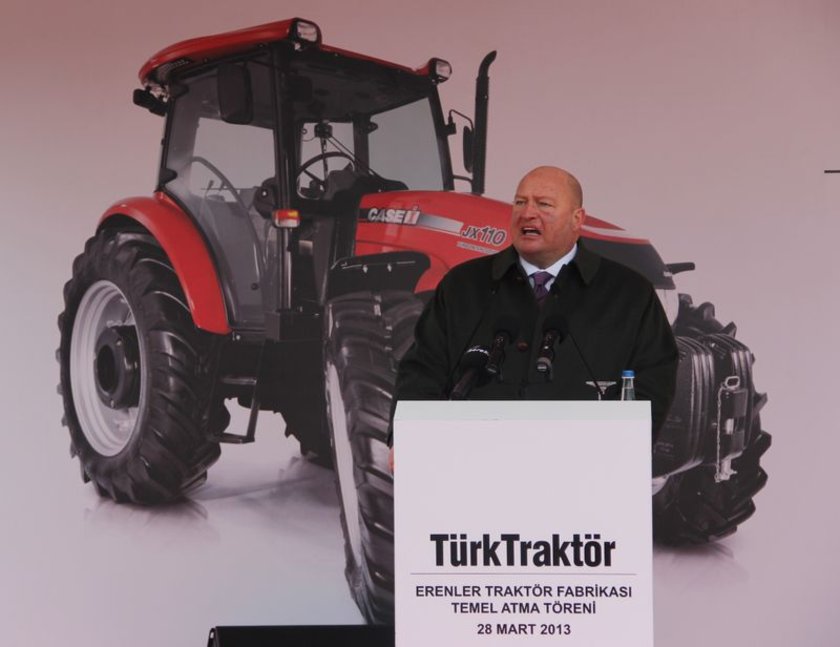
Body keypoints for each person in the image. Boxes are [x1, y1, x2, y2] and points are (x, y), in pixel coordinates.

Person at [389, 166, 678, 469]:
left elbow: (654, 376)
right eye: (520, 202)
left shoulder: (628, 292)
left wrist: (629, 448)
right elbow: (423, 369)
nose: (528, 213)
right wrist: (408, 435)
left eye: (544, 204)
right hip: (474, 467)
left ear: (577, 219)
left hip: (586, 473)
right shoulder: (463, 285)